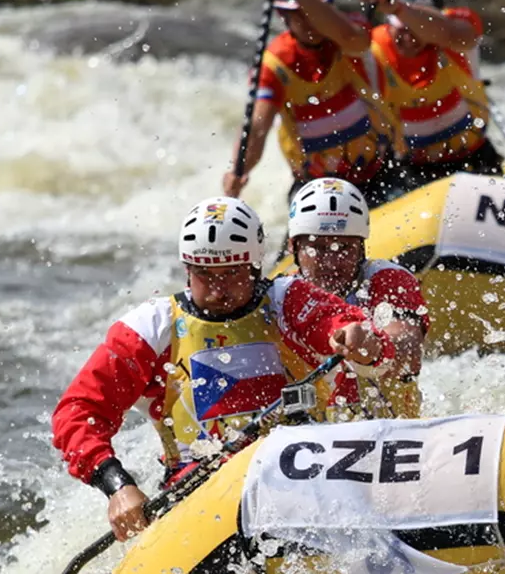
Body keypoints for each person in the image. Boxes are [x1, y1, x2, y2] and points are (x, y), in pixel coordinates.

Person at [52, 196, 396, 541]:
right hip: (200, 494)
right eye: (205, 274)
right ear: (188, 269)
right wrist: (117, 486)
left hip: (303, 474)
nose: (219, 289)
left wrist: (359, 341)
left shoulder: (288, 298)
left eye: (232, 273)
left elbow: (342, 324)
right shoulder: (151, 326)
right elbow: (77, 412)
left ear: (255, 264)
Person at [223, 0, 404, 208]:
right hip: (314, 187)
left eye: (316, 11)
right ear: (284, 15)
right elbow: (257, 127)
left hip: (379, 175)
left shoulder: (350, 32)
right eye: (300, 13)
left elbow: (353, 38)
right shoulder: (275, 64)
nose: (310, 20)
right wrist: (238, 171)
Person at [284, 177, 430, 418]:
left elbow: (408, 350)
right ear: (293, 247)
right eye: (317, 247)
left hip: (390, 430)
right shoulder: (282, 293)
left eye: (343, 247)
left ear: (361, 247)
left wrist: (375, 346)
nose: (330, 262)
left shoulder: (387, 278)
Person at [357, 0, 504, 187]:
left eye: (416, 29)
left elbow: (451, 33)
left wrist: (399, 8)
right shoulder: (373, 46)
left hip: (473, 159)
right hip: (411, 169)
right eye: (401, 29)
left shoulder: (457, 27)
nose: (409, 38)